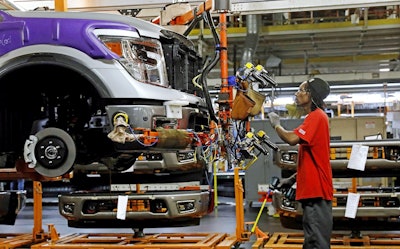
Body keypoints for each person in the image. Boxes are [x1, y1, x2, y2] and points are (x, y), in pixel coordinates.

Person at [268, 77, 333, 249]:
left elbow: (292, 139)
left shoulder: (316, 117)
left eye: (301, 90)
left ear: (311, 95)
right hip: (312, 190)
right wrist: (292, 179)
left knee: (316, 243)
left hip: (316, 192)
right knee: (312, 240)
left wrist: (276, 125)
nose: (297, 94)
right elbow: (313, 159)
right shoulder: (315, 117)